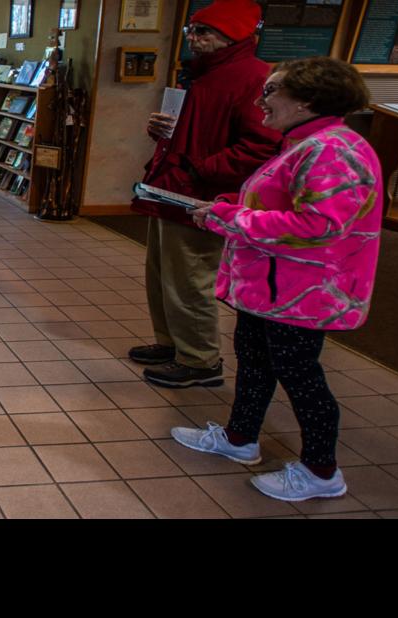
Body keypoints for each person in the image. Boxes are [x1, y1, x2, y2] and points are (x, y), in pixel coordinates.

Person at [173, 57, 383, 502]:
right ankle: (240, 438)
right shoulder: (302, 142)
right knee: (254, 360)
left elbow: (320, 225)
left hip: (303, 291)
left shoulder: (332, 150)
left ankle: (321, 471)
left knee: (301, 377)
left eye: (270, 91)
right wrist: (231, 204)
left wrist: (231, 215)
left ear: (307, 99)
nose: (259, 100)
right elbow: (279, 199)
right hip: (272, 288)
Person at [129, 0, 280, 389]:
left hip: (203, 196)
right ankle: (171, 343)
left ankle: (200, 360)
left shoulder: (252, 78)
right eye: (191, 31)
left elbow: (262, 145)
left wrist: (200, 167)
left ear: (233, 35)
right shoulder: (201, 75)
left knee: (190, 277)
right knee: (162, 273)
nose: (193, 39)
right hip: (172, 187)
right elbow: (192, 129)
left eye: (204, 32)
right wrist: (162, 131)